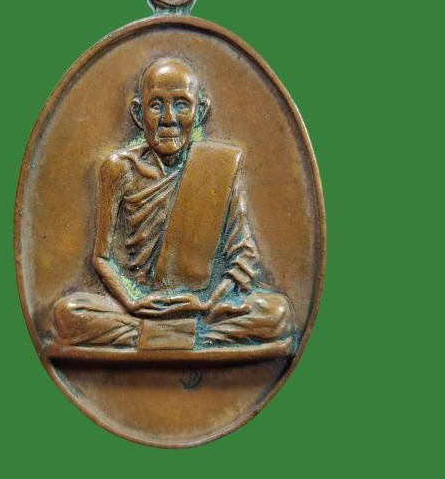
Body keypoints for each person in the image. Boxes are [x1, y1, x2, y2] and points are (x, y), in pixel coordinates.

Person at [52, 58, 294, 348]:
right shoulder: (119, 168)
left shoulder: (218, 167)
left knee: (277, 314)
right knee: (68, 314)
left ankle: (157, 336)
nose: (169, 119)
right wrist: (132, 302)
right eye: (156, 105)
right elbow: (101, 257)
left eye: (182, 105)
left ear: (200, 111)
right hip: (137, 307)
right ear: (138, 114)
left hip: (200, 306)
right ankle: (189, 337)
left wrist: (207, 301)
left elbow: (242, 256)